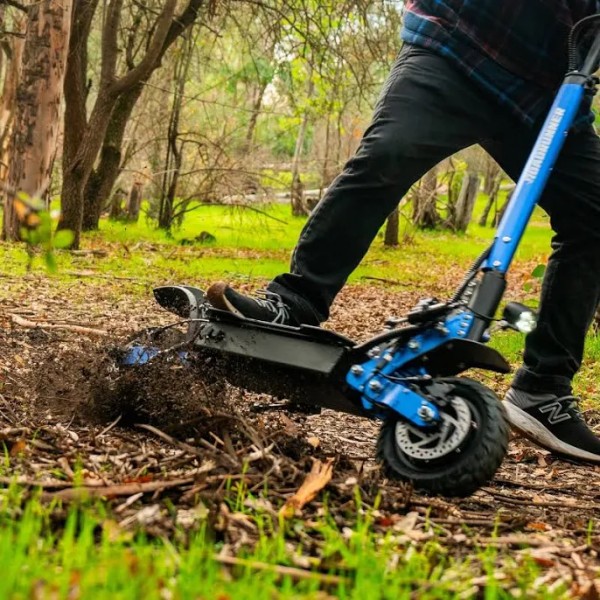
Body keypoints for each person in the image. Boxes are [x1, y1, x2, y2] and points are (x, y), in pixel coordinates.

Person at [207, 0, 600, 464]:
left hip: (551, 93)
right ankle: (292, 306)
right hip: (456, 45)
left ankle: (544, 388)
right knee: (386, 155)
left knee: (594, 217)